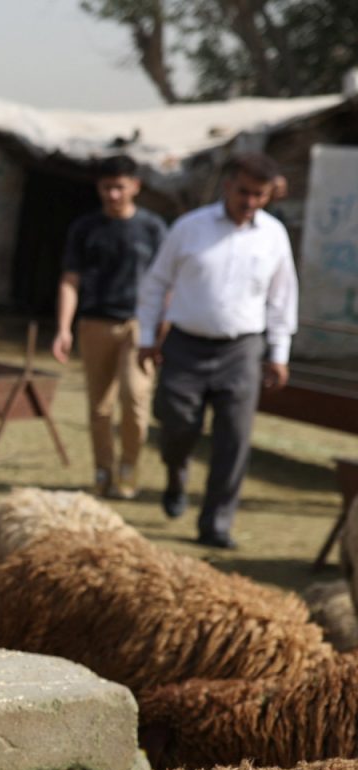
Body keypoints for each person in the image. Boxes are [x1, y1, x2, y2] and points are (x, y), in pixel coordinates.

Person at [135, 152, 298, 550]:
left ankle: (216, 524)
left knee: (234, 438)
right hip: (185, 344)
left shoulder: (273, 235)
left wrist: (279, 353)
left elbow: (282, 297)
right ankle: (176, 472)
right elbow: (156, 283)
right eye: (244, 192)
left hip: (241, 349)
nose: (250, 201)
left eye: (259, 195)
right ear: (228, 186)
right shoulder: (190, 227)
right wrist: (146, 336)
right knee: (176, 423)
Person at [52, 154, 168, 499]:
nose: (113, 194)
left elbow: (168, 283)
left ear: (135, 186)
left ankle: (128, 468)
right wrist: (63, 328)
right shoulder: (86, 228)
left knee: (134, 400)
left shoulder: (152, 228)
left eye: (119, 187)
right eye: (106, 187)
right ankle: (103, 471)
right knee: (100, 406)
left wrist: (164, 328)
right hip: (95, 322)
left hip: (139, 325)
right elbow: (70, 280)